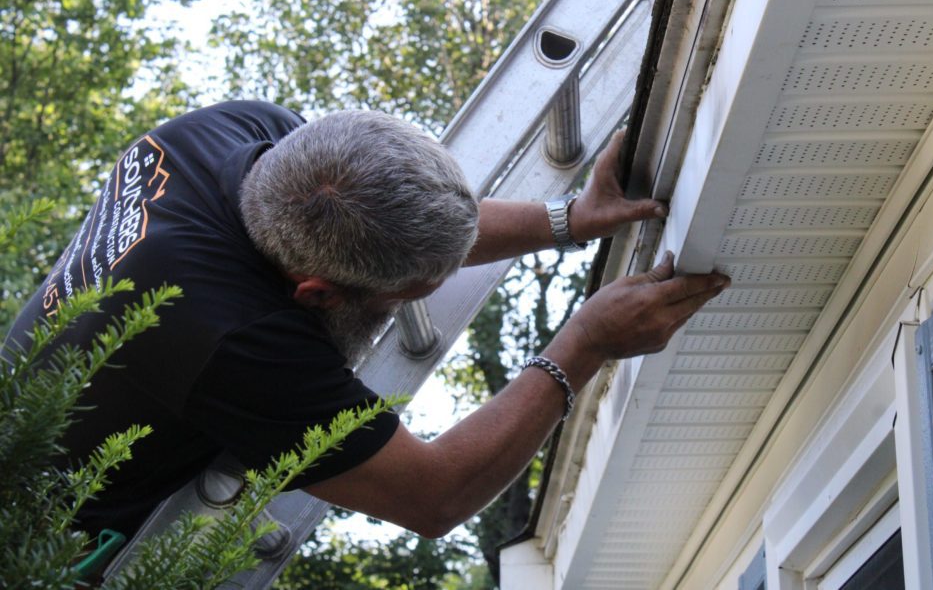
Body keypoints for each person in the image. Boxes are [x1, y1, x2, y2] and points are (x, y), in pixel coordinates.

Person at [3, 100, 729, 541]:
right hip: (45, 537)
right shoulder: (234, 341)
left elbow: (392, 217)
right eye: (409, 292)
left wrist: (567, 220)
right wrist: (587, 342)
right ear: (317, 294)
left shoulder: (242, 135)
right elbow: (432, 493)